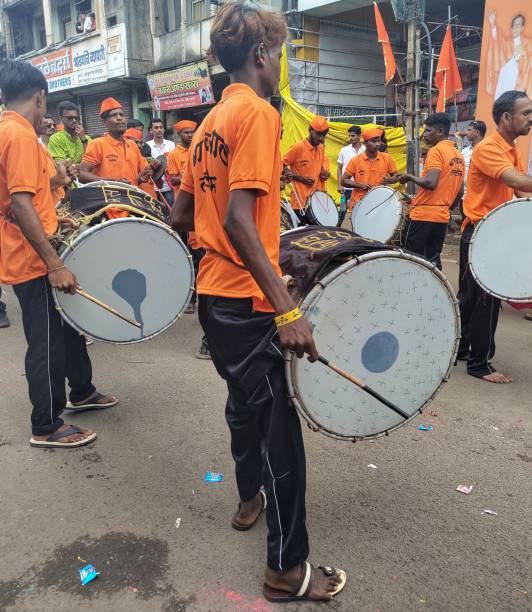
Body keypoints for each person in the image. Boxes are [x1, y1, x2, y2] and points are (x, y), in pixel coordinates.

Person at [170, 2, 346, 603]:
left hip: (215, 298)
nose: (282, 63)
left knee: (244, 406)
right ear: (263, 55)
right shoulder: (259, 114)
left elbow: (184, 214)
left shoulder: (208, 123)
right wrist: (287, 308)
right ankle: (286, 571)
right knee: (280, 434)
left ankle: (248, 498)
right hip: (246, 303)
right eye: (282, 52)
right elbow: (243, 223)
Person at [0, 60, 118, 448]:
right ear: (39, 97)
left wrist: (56, 181)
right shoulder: (16, 135)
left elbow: (29, 192)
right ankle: (46, 424)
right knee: (46, 339)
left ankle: (81, 390)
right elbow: (19, 204)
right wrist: (53, 264)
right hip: (32, 258)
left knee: (69, 328)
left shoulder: (12, 133)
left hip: (36, 247)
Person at [458, 91, 532, 383]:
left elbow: (520, 191)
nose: (530, 118)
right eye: (525, 113)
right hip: (480, 233)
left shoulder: (512, 150)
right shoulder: (489, 148)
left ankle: (462, 349)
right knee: (484, 302)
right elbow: (514, 180)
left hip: (493, 233)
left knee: (473, 298)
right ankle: (480, 365)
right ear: (506, 117)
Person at [397, 113, 465, 270]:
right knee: (433, 261)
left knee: (412, 260)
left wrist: (409, 177)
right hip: (441, 217)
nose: (424, 135)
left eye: (428, 131)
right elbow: (460, 191)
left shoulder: (436, 151)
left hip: (423, 216)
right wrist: (446, 210)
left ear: (440, 132)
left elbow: (430, 182)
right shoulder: (458, 155)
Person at [79, 98, 153, 186]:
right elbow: (81, 174)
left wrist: (139, 178)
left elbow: (135, 178)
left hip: (131, 198)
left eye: (121, 115)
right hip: (108, 199)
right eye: (114, 115)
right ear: (104, 122)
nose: (119, 118)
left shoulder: (132, 144)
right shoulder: (97, 144)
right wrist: (112, 182)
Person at [282, 116, 331, 221]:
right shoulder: (298, 148)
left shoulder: (321, 147)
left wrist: (324, 172)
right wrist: (301, 178)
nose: (321, 139)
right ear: (310, 130)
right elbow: (281, 165)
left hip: (318, 201)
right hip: (301, 203)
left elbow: (321, 164)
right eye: (318, 134)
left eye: (323, 135)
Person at [341, 128, 398, 213]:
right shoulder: (356, 160)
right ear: (365, 143)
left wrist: (390, 180)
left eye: (379, 141)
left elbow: (396, 177)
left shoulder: (387, 158)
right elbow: (344, 180)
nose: (377, 144)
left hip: (381, 203)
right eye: (374, 141)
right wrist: (359, 185)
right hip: (359, 203)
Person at [486, 11, 532, 99]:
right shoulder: (508, 42)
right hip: (505, 76)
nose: (515, 27)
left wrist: (523, 54)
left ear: (522, 28)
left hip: (519, 78)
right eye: (514, 25)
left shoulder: (528, 43)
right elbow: (498, 45)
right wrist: (493, 25)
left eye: (518, 25)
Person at [336, 125, 364, 226]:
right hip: (346, 186)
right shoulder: (344, 150)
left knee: (359, 210)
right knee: (343, 210)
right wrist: (340, 184)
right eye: (349, 136)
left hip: (360, 187)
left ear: (359, 136)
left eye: (353, 136)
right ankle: (338, 227)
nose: (350, 138)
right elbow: (339, 168)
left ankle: (357, 229)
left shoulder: (365, 150)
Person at [146, 118, 175, 206]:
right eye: (156, 127)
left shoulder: (171, 145)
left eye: (161, 127)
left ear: (164, 129)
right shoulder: (147, 146)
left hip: (169, 186)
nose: (159, 130)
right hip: (153, 186)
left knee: (171, 212)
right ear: (151, 130)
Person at [460, 120, 487, 192]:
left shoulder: (487, 151)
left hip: (477, 195)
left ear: (477, 132)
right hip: (462, 194)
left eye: (469, 130)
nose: (466, 132)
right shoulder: (464, 151)